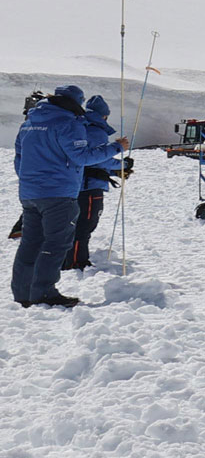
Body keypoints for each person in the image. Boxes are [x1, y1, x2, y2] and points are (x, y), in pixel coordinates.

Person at [14, 84, 126, 308]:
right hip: (58, 193)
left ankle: (23, 293)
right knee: (56, 243)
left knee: (30, 243)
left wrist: (32, 181)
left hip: (29, 193)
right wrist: (115, 148)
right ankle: (44, 292)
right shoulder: (68, 123)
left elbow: (19, 158)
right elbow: (81, 156)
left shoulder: (29, 124)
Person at [68, 94, 122, 271]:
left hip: (75, 184)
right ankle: (76, 262)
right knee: (86, 224)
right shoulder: (96, 131)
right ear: (103, 115)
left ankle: (69, 259)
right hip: (90, 186)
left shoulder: (79, 127)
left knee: (74, 223)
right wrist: (122, 164)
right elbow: (98, 158)